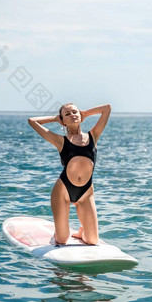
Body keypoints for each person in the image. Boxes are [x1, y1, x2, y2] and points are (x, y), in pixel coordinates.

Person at [28, 103, 111, 245]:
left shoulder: (93, 135)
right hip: (63, 191)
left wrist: (84, 113)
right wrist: (56, 118)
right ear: (63, 121)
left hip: (86, 192)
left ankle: (81, 232)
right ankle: (58, 232)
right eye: (67, 114)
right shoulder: (60, 141)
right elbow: (32, 121)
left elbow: (107, 109)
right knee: (62, 239)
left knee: (92, 241)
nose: (72, 115)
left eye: (75, 112)